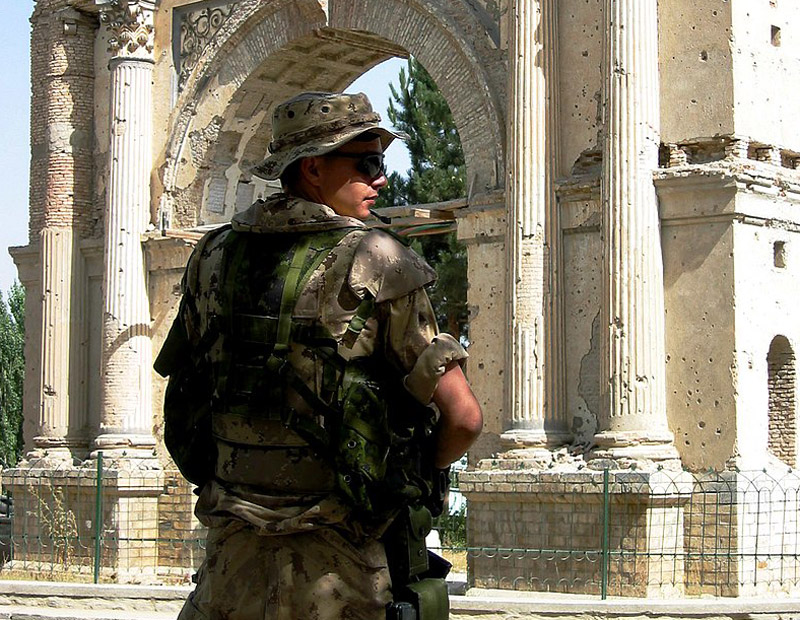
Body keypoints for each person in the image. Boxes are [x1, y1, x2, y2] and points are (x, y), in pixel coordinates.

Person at [155, 91, 483, 620]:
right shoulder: (379, 259)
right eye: (367, 163)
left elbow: (187, 394)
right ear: (311, 168)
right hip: (341, 565)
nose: (382, 178)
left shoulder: (211, 255)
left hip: (228, 560)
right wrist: (411, 476)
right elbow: (464, 419)